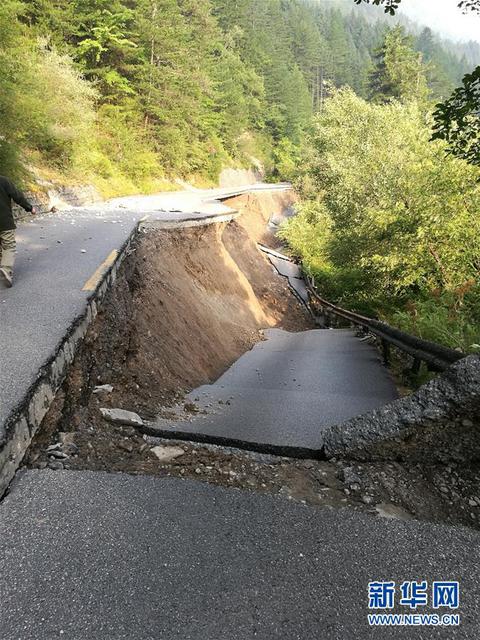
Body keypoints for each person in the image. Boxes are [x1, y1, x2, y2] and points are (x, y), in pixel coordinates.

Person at [0, 176, 36, 288]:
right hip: (4, 222)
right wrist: (29, 208)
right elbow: (18, 196)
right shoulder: (3, 181)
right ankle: (6, 269)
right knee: (9, 246)